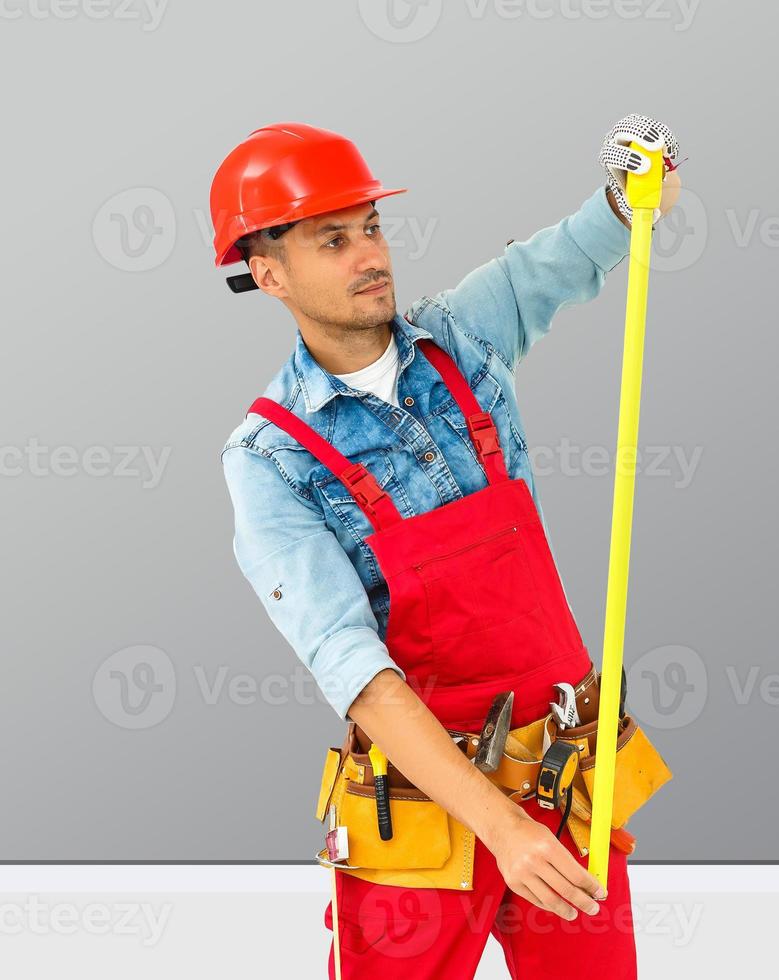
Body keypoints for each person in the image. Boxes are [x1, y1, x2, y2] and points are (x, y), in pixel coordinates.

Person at [214, 115, 680, 978]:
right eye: (332, 240)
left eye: (371, 228)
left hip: (565, 774)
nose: (370, 256)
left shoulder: (462, 340)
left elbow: (565, 257)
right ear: (267, 271)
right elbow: (353, 669)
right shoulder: (269, 460)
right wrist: (499, 828)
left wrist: (631, 192)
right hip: (418, 804)